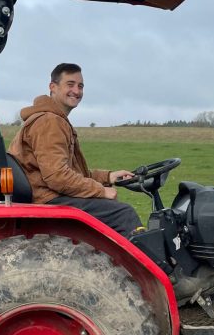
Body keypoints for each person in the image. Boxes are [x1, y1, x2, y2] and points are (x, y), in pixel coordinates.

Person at [8, 63, 142, 237]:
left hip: (45, 193)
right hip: (47, 198)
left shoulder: (52, 119)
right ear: (53, 87)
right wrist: (101, 191)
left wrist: (108, 177)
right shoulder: (50, 121)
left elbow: (69, 172)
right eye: (70, 85)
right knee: (123, 214)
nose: (76, 91)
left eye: (80, 86)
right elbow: (57, 176)